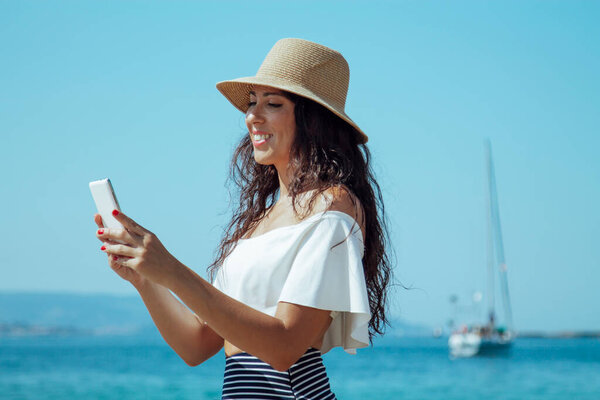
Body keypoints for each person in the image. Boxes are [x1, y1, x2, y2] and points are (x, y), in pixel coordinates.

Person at [94, 38, 392, 400]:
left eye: (273, 103)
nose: (252, 115)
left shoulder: (333, 208)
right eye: (252, 102)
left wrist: (171, 268)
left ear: (314, 119)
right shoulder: (260, 221)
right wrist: (146, 279)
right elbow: (197, 346)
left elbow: (285, 347)